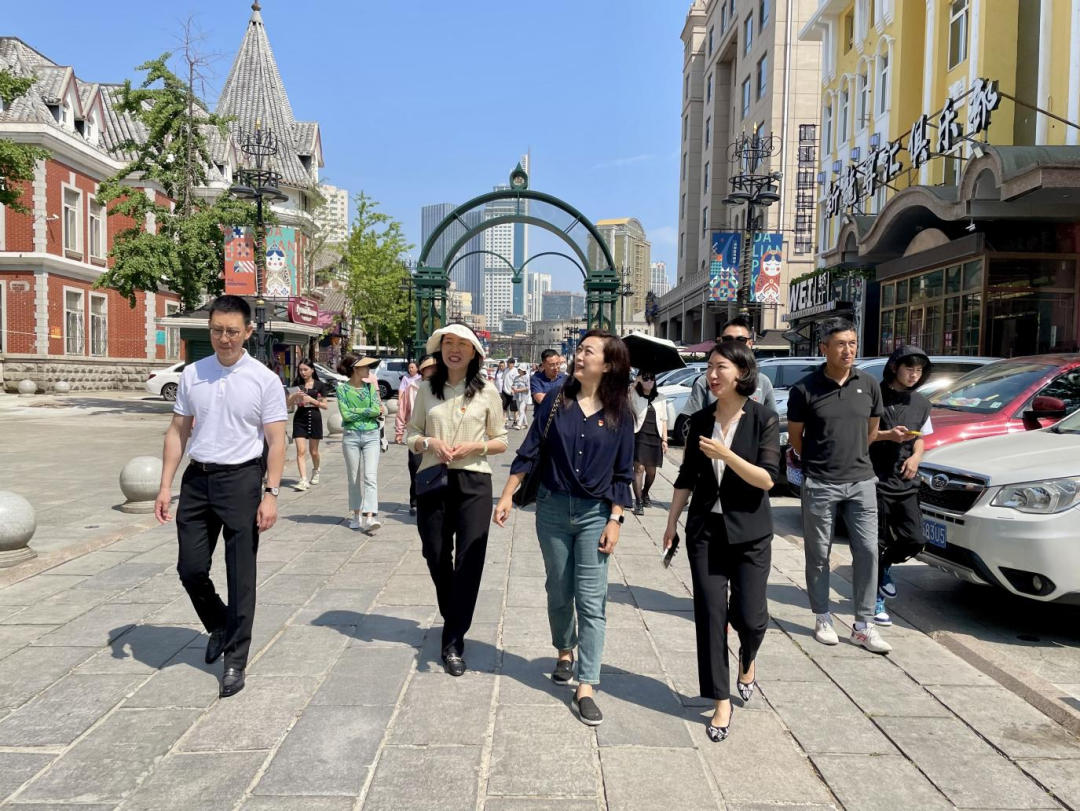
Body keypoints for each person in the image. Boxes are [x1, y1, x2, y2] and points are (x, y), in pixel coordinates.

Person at [495, 331, 634, 727]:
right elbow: (529, 451)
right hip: (552, 511)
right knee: (558, 589)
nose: (579, 356)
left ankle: (586, 685)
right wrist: (506, 496)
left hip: (595, 515)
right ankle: (564, 651)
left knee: (591, 600)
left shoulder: (621, 413)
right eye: (580, 349)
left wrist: (615, 519)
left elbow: (623, 473)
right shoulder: (557, 400)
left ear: (608, 364)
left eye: (589, 351)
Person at [154, 295, 287, 699]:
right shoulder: (194, 374)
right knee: (190, 568)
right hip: (198, 480)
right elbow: (178, 430)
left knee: (240, 574)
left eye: (231, 331)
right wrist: (165, 485)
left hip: (242, 481)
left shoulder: (263, 379)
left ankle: (235, 659)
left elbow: (276, 441)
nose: (223, 338)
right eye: (216, 330)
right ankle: (219, 622)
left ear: (248, 332)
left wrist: (271, 493)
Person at [663, 340, 779, 742]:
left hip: (750, 532)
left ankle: (748, 657)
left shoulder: (763, 419)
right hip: (705, 532)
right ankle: (721, 700)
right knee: (711, 614)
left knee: (751, 617)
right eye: (709, 367)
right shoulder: (699, 420)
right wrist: (672, 522)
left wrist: (726, 455)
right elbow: (687, 477)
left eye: (720, 367)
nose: (712, 375)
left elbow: (767, 479)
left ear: (742, 373)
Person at [407, 324, 509, 677]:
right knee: (435, 554)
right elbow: (411, 434)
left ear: (474, 353)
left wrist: (474, 447)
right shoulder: (426, 389)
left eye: (462, 344)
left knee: (469, 559)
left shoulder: (487, 391)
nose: (454, 349)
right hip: (433, 478)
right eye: (448, 343)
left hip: (474, 481)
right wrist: (429, 443)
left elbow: (501, 440)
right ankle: (455, 614)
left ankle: (453, 640)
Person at [786, 318, 891, 654]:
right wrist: (819, 464)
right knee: (819, 553)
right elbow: (796, 438)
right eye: (841, 344)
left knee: (868, 551)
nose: (848, 350)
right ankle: (822, 616)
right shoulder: (804, 389)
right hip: (820, 482)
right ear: (824, 348)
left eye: (852, 343)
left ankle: (864, 625)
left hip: (862, 481)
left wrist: (853, 456)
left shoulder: (869, 384)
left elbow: (871, 431)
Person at [869, 346, 933, 625]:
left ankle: (885, 565)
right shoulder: (874, 395)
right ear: (895, 367)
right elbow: (861, 435)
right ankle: (875, 599)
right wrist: (887, 436)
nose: (914, 375)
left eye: (919, 370)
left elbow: (921, 438)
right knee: (875, 542)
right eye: (909, 369)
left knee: (915, 539)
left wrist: (916, 458)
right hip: (876, 479)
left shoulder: (921, 402)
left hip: (906, 480)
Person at [680, 317, 777, 418]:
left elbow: (771, 419)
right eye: (727, 339)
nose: (733, 344)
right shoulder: (705, 381)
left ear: (750, 344)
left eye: (741, 340)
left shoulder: (762, 381)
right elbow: (691, 420)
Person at [337, 354, 386, 533]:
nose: (368, 370)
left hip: (372, 435)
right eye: (365, 367)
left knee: (370, 477)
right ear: (355, 369)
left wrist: (358, 411)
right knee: (354, 477)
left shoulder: (370, 387)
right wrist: (369, 411)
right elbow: (346, 415)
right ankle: (356, 514)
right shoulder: (342, 389)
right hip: (350, 436)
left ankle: (370, 516)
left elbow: (377, 410)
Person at [396, 355, 438, 516]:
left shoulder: (442, 386)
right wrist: (399, 431)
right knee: (416, 468)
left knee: (436, 469)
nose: (431, 370)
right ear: (422, 370)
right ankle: (415, 501)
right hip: (417, 434)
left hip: (437, 434)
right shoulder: (413, 387)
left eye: (434, 367)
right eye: (428, 368)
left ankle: (431, 500)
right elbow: (403, 410)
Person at [628, 371, 668, 515]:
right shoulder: (634, 395)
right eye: (646, 378)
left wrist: (665, 439)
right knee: (639, 469)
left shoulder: (661, 398)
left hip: (655, 437)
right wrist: (636, 381)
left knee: (651, 472)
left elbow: (664, 420)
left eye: (652, 378)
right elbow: (626, 395)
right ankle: (638, 502)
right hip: (639, 435)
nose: (650, 381)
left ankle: (645, 492)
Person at [287, 359, 330, 491]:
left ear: (312, 370)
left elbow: (325, 406)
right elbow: (287, 404)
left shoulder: (319, 385)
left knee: (314, 451)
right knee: (300, 451)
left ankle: (316, 470)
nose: (303, 372)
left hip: (314, 417)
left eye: (305, 369)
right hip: (300, 418)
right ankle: (303, 479)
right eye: (300, 370)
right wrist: (295, 396)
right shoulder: (297, 384)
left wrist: (312, 400)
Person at [511, 363, 531, 429]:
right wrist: (513, 389)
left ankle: (519, 424)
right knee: (520, 410)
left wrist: (519, 390)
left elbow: (528, 387)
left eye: (520, 369)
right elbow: (513, 385)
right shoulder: (516, 377)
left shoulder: (527, 377)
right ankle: (525, 424)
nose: (519, 370)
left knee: (522, 410)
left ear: (523, 370)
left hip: (524, 396)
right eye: (518, 369)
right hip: (517, 396)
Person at [502, 357, 518, 427]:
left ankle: (515, 421)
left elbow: (516, 381)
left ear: (513, 364)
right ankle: (504, 421)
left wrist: (513, 389)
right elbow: (503, 379)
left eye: (510, 363)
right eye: (508, 363)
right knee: (504, 407)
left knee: (514, 408)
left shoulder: (515, 371)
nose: (508, 364)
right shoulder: (506, 370)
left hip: (513, 392)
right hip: (505, 391)